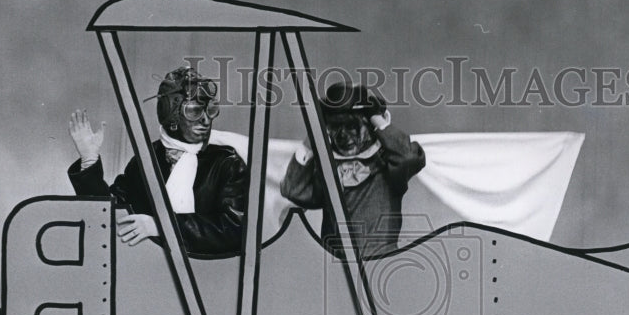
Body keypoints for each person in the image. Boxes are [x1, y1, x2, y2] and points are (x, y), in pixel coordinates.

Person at [67, 65, 247, 255]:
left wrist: (163, 226)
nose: (206, 120)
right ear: (171, 114)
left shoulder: (227, 163)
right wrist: (89, 160)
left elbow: (236, 230)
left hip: (210, 276)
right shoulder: (146, 161)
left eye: (210, 110)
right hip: (151, 272)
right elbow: (111, 216)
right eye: (194, 111)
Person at [281, 81, 425, 258]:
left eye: (351, 125)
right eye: (335, 127)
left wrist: (376, 119)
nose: (343, 135)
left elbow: (409, 157)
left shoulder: (387, 165)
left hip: (378, 264)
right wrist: (313, 137)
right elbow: (293, 190)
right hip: (335, 270)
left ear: (369, 126)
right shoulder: (327, 168)